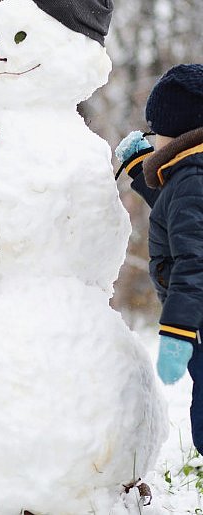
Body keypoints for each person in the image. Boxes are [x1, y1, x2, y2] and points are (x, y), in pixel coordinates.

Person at [115, 63, 203, 454]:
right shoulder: (190, 176)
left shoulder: (192, 180)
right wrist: (141, 169)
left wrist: (179, 331)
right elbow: (183, 214)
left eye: (156, 130)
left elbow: (195, 261)